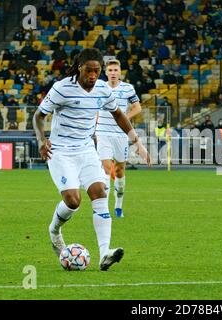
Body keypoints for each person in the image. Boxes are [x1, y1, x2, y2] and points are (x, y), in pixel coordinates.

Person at [33, 49, 150, 271]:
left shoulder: (103, 89)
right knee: (73, 201)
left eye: (97, 71)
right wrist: (41, 140)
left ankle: (104, 252)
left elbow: (118, 114)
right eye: (89, 71)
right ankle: (55, 230)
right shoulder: (62, 88)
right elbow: (39, 115)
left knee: (99, 192)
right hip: (61, 151)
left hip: (86, 149)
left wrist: (137, 142)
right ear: (80, 68)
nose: (93, 75)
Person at [95, 59, 142, 219]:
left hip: (121, 135)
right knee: (106, 169)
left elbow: (138, 107)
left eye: (116, 70)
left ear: (120, 72)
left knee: (119, 171)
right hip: (102, 132)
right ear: (106, 72)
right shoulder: (99, 87)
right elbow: (93, 107)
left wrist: (123, 118)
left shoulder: (128, 88)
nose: (113, 73)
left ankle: (118, 206)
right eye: (110, 70)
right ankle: (104, 210)